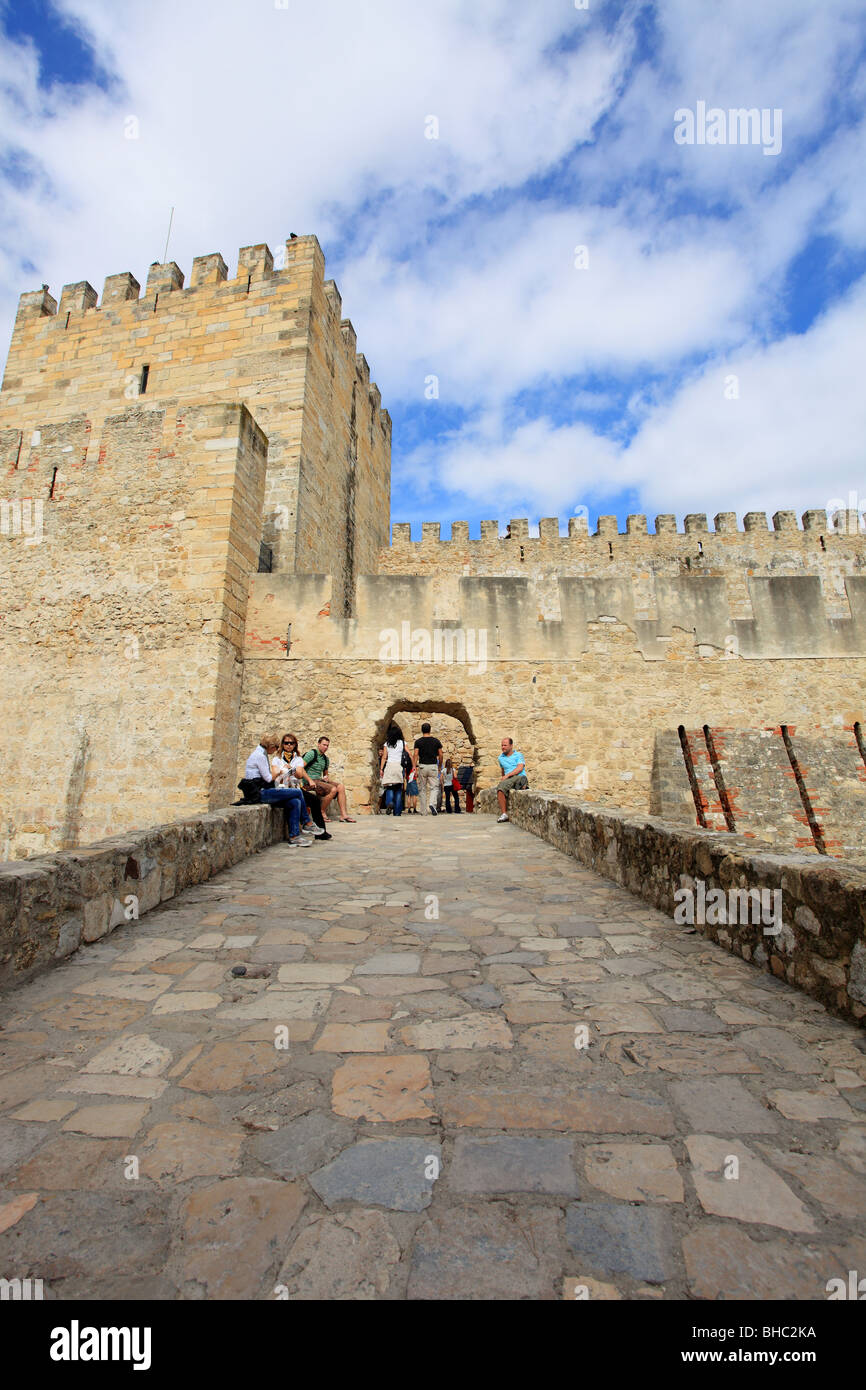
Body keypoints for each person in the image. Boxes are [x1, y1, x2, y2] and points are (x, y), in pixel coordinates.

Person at [245, 735, 313, 846]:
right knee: (297, 792)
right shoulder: (260, 756)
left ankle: (294, 836)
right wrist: (280, 771)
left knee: (295, 802)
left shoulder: (262, 754)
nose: (277, 750)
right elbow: (268, 778)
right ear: (271, 746)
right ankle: (307, 822)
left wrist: (282, 771)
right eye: (277, 747)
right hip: (259, 792)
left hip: (263, 789)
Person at [277, 734, 331, 840]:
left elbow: (300, 772)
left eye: (291, 743)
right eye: (286, 743)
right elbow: (276, 774)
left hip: (295, 786)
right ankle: (306, 824)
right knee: (296, 802)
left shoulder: (296, 758)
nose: (288, 745)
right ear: (282, 744)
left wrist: (308, 779)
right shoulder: (278, 758)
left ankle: (321, 832)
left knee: (314, 800)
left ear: (295, 745)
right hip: (284, 788)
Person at [302, 736, 356, 822]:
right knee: (333, 789)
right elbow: (300, 768)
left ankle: (344, 815)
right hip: (309, 782)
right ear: (318, 744)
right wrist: (309, 780)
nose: (325, 747)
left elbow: (325, 774)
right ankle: (321, 812)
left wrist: (326, 778)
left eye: (327, 745)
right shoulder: (312, 753)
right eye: (324, 745)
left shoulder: (325, 759)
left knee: (340, 787)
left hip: (319, 781)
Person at [413, 722, 443, 816]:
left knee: (422, 789)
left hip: (422, 766)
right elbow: (441, 754)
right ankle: (432, 803)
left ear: (422, 730)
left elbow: (416, 754)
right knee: (434, 787)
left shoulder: (418, 742)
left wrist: (414, 767)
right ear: (430, 730)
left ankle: (423, 811)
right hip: (433, 766)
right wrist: (440, 765)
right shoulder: (436, 741)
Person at [496, 737, 528, 822]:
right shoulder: (500, 758)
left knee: (502, 787)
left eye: (505, 745)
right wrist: (504, 778)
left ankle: (522, 783)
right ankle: (504, 814)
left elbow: (520, 768)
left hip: (518, 775)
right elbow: (503, 770)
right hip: (509, 778)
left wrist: (507, 776)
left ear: (511, 746)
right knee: (500, 788)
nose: (503, 747)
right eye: (502, 745)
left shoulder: (518, 755)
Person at [379, 721, 406, 817]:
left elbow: (384, 757)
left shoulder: (387, 744)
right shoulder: (402, 743)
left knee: (389, 787)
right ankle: (397, 812)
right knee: (398, 789)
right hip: (399, 767)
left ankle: (390, 802)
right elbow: (409, 754)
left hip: (389, 766)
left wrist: (381, 769)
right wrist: (414, 766)